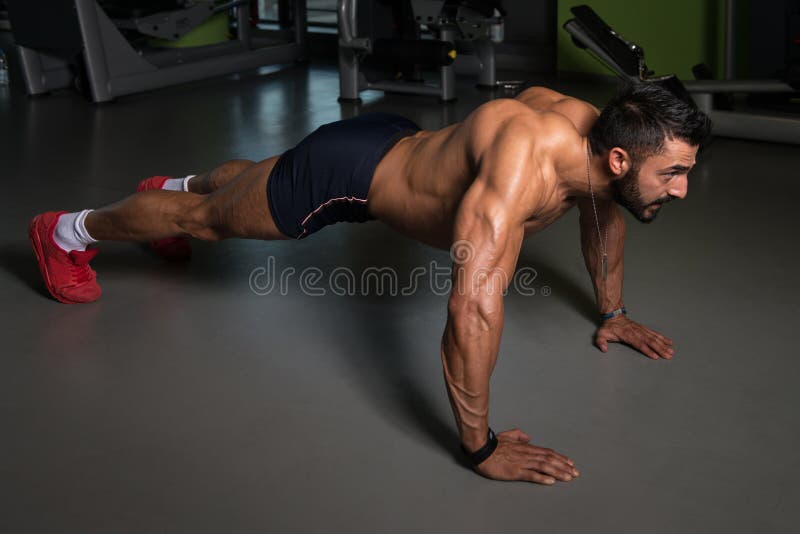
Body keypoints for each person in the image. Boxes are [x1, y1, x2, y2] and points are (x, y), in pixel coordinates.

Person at [28, 83, 712, 485]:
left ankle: (170, 189)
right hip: (349, 179)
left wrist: (614, 310)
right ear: (622, 158)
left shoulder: (596, 144)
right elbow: (473, 306)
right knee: (211, 219)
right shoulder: (525, 168)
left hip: (392, 140)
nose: (681, 191)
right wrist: (479, 445)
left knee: (253, 182)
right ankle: (66, 232)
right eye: (672, 175)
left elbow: (606, 217)